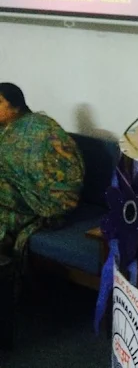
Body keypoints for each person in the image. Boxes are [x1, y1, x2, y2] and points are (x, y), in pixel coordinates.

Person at [0, 83, 84, 256]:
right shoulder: (5, 127)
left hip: (43, 200)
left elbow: (64, 171)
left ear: (16, 106)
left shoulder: (42, 128)